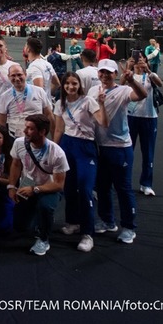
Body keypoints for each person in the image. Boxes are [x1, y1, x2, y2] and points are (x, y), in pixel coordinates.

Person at [90, 58, 146, 244]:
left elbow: (142, 94)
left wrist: (131, 80)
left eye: (109, 72)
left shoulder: (123, 91)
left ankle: (129, 227)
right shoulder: (93, 90)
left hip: (120, 147)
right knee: (103, 187)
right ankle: (107, 220)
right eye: (102, 72)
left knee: (123, 188)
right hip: (100, 146)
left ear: (115, 74)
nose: (105, 75)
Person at [54, 72, 108, 252]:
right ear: (63, 85)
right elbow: (59, 129)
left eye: (74, 83)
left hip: (85, 148)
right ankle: (72, 221)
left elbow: (103, 122)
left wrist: (101, 103)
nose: (70, 87)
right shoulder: (60, 104)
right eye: (67, 83)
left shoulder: (88, 102)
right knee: (68, 187)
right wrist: (54, 151)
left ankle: (87, 233)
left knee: (85, 190)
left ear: (79, 85)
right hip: (67, 146)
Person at [7, 114, 69, 256]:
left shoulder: (57, 153)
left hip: (49, 188)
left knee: (45, 207)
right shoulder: (19, 143)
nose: (25, 131)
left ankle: (43, 239)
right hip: (27, 185)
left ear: (42, 132)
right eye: (25, 127)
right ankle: (39, 217)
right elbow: (16, 164)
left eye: (30, 129)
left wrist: (35, 190)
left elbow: (59, 185)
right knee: (20, 226)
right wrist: (11, 186)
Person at [126, 57, 162, 197]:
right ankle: (126, 182)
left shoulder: (150, 75)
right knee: (128, 151)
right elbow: (120, 85)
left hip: (149, 117)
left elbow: (160, 84)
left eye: (141, 60)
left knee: (148, 153)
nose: (138, 62)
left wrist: (148, 71)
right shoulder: (129, 75)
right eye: (136, 59)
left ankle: (146, 184)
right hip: (131, 116)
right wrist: (128, 69)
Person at [0, 64, 53, 138]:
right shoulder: (4, 96)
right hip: (15, 137)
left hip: (36, 136)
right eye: (13, 75)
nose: (17, 78)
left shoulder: (39, 91)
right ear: (8, 77)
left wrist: (51, 136)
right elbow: (1, 121)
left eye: (19, 75)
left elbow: (48, 115)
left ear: (25, 74)